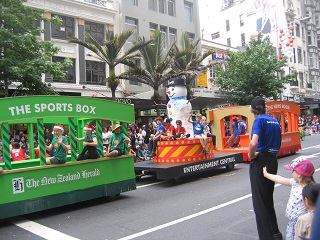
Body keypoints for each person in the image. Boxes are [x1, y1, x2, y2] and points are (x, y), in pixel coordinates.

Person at [248, 96, 283, 240]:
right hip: (272, 160)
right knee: (268, 199)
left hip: (261, 160)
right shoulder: (275, 121)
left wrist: (251, 155)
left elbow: (253, 142)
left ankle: (266, 236)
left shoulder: (259, 120)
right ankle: (275, 233)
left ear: (253, 109)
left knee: (260, 203)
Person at [263, 158, 315, 240]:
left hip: (302, 222)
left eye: (293, 171)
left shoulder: (308, 189)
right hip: (291, 222)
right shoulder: (294, 183)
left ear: (299, 174)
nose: (291, 173)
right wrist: (266, 174)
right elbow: (280, 179)